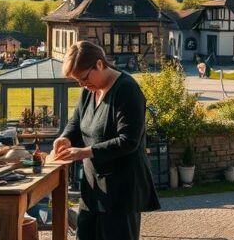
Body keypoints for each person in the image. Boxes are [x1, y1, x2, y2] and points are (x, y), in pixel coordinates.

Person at [53, 41, 160, 240]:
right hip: (92, 189)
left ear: (100, 64)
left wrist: (85, 152)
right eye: (78, 81)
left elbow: (129, 141)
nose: (82, 85)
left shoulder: (127, 90)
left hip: (122, 191)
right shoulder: (89, 91)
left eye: (84, 78)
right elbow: (76, 122)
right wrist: (65, 138)